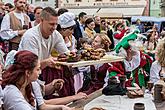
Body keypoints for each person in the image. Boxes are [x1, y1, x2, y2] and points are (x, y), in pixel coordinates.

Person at [19, 7, 87, 100]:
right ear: (41, 21)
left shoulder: (55, 34)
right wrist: (47, 62)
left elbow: (66, 54)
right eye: (51, 24)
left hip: (36, 73)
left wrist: (78, 56)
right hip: (24, 77)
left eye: (56, 24)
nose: (54, 27)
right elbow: (30, 67)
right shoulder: (31, 36)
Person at [2, 50, 72, 110]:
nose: (40, 72)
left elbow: (42, 106)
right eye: (38, 69)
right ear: (28, 72)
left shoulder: (32, 83)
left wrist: (61, 107)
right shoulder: (11, 92)